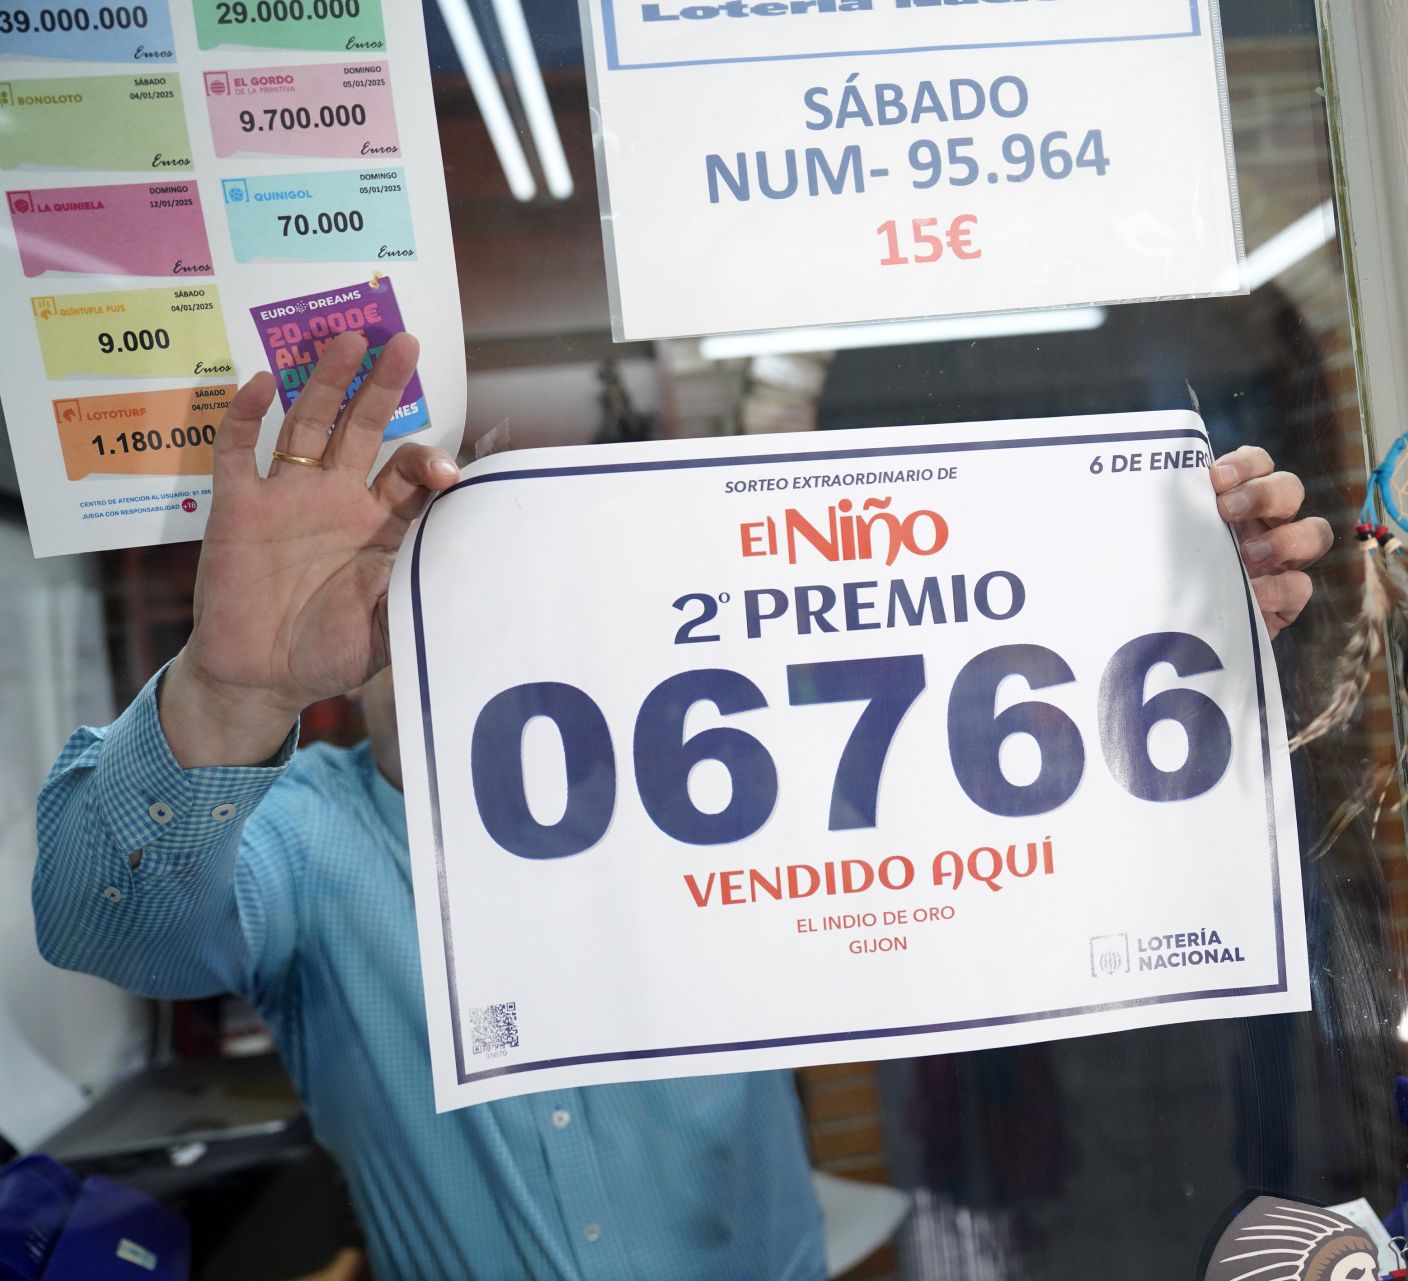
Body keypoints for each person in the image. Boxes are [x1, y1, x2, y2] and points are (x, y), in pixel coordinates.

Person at [31, 332, 1333, 1280]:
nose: (463, 624)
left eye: (509, 578)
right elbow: (110, 922)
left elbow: (964, 706)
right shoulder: (305, 841)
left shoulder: (728, 787)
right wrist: (228, 683)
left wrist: (1166, 603)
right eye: (414, 582)